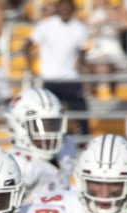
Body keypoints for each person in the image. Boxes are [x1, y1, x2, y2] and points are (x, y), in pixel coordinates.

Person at [22, 0, 90, 136]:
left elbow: (82, 55)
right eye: (62, 7)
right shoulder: (45, 26)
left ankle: (84, 144)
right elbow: (26, 46)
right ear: (58, 9)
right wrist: (30, 68)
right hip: (50, 80)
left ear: (73, 9)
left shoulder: (79, 28)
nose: (65, 10)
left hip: (71, 79)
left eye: (68, 8)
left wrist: (85, 80)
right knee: (49, 117)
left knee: (82, 115)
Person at [4, 88, 75, 203]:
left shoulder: (67, 149)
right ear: (18, 125)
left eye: (53, 125)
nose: (48, 133)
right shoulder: (16, 164)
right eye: (38, 126)